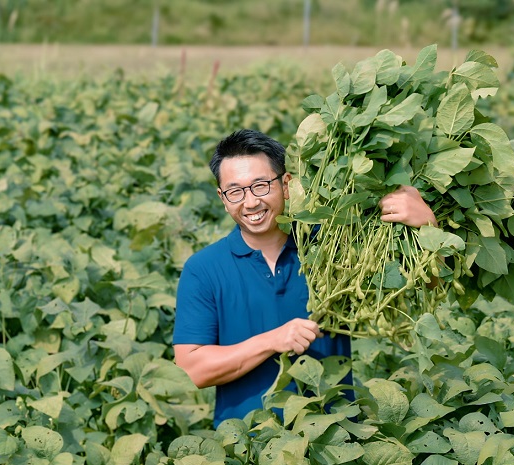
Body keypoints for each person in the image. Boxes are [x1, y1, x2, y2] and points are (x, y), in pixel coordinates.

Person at [173, 129, 437, 427]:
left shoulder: (332, 249)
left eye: (261, 186)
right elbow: (190, 369)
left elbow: (422, 286)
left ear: (286, 184)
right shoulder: (204, 268)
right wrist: (273, 340)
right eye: (235, 191)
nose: (250, 203)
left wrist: (427, 226)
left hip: (335, 440)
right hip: (246, 445)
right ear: (222, 198)